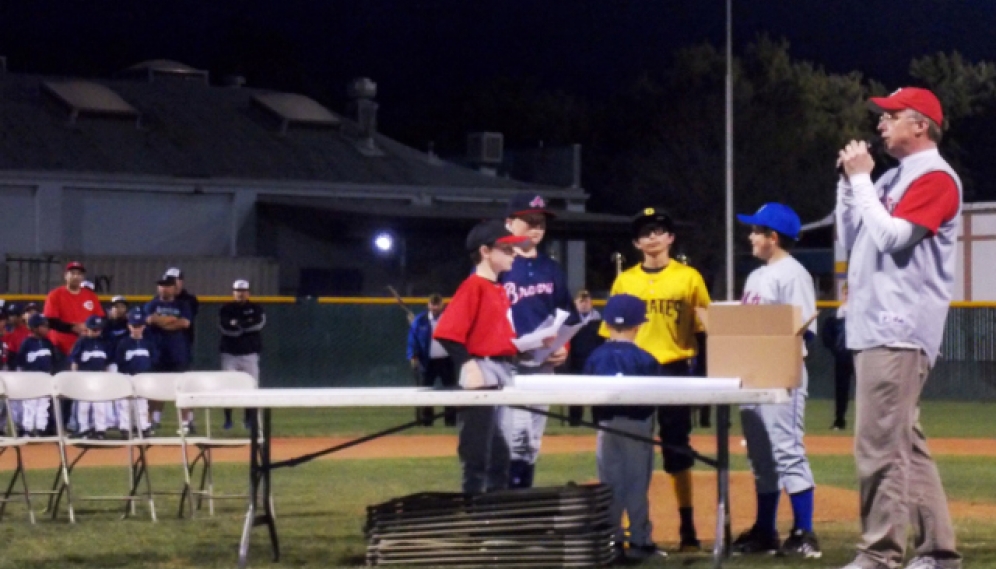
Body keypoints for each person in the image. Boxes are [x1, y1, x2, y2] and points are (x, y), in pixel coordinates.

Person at [836, 87, 962, 569]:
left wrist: (864, 181)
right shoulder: (892, 176)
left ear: (921, 126)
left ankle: (880, 553)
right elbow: (855, 239)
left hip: (898, 325)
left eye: (891, 115)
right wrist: (850, 185)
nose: (881, 123)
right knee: (902, 442)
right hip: (878, 324)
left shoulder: (935, 177)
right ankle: (938, 551)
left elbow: (892, 239)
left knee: (878, 447)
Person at [602, 207, 710, 552]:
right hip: (634, 369)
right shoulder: (625, 280)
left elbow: (704, 328)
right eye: (645, 232)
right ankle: (629, 529)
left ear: (671, 238)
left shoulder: (689, 277)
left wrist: (706, 376)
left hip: (674, 367)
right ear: (636, 242)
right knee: (633, 450)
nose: (652, 236)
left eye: (659, 230)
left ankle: (688, 528)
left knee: (677, 448)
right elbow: (611, 334)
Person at [731, 203, 821, 559]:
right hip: (752, 373)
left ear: (773, 237)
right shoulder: (756, 276)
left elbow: (804, 332)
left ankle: (804, 533)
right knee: (761, 457)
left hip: (782, 373)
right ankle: (765, 530)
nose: (750, 236)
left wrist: (780, 366)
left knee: (788, 451)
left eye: (756, 231)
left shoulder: (793, 273)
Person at [432, 219, 533, 494]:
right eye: (507, 250)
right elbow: (446, 333)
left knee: (499, 454)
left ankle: (492, 514)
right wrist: (469, 365)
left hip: (500, 368)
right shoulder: (474, 285)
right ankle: (473, 513)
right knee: (479, 452)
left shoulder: (497, 288)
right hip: (482, 368)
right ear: (486, 251)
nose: (513, 254)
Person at [499, 192, 577, 489]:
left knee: (531, 442)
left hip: (543, 365)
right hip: (509, 365)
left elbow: (566, 315)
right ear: (509, 223)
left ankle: (522, 500)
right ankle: (507, 508)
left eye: (541, 222)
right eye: (528, 220)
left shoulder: (552, 269)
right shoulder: (498, 265)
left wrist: (564, 346)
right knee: (513, 440)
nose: (536, 227)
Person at [586, 294, 664, 563]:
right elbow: (657, 395)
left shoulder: (596, 356)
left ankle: (612, 540)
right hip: (638, 426)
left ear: (606, 324)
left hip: (606, 426)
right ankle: (640, 540)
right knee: (637, 484)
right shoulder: (646, 358)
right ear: (638, 326)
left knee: (610, 484)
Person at [43, 261, 105, 432]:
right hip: (60, 346)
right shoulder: (56, 294)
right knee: (60, 387)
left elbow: (101, 318)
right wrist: (73, 327)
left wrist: (91, 329)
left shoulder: (89, 296)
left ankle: (71, 425)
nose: (76, 276)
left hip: (84, 348)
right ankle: (53, 426)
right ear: (66, 275)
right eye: (72, 272)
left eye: (79, 273)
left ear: (83, 276)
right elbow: (51, 321)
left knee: (77, 390)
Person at [145, 273, 194, 432]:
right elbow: (149, 320)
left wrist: (161, 321)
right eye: (161, 285)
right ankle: (152, 421)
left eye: (167, 285)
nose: (164, 288)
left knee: (182, 387)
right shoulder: (151, 304)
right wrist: (170, 321)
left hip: (177, 352)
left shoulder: (182, 305)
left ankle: (185, 423)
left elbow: (184, 323)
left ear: (174, 288)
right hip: (157, 352)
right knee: (154, 388)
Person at [219, 279, 266, 430]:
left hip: (250, 353)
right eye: (237, 291)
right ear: (233, 292)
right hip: (230, 354)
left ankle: (249, 420)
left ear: (248, 292)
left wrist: (238, 325)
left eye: (243, 291)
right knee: (228, 387)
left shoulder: (256, 308)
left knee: (251, 387)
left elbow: (258, 324)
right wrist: (244, 325)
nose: (240, 294)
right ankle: (228, 420)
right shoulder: (226, 308)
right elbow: (224, 327)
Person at [406, 293, 457, 427]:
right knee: (426, 392)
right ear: (428, 305)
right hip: (427, 361)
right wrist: (413, 355)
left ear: (442, 305)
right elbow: (413, 340)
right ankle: (427, 422)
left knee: (450, 391)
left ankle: (450, 421)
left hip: (446, 360)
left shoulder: (449, 318)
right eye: (432, 305)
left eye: (437, 305)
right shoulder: (420, 320)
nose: (434, 308)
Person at [68, 315, 112, 439]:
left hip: (99, 378)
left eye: (98, 329)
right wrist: (74, 377)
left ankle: (100, 430)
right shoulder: (82, 341)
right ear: (87, 329)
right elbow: (74, 360)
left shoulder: (104, 342)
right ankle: (83, 429)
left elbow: (107, 362)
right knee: (83, 406)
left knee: (100, 406)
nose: (96, 332)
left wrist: (107, 377)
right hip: (85, 378)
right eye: (93, 329)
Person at [115, 307, 156, 437]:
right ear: (129, 326)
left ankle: (142, 427)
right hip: (127, 375)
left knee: (142, 403)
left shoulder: (148, 343)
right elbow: (119, 360)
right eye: (134, 326)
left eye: (139, 326)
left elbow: (153, 358)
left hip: (142, 377)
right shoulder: (124, 343)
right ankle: (125, 428)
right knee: (125, 403)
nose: (137, 328)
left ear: (143, 326)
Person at [565, 289, 604, 426]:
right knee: (575, 395)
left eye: (587, 300)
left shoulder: (599, 321)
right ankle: (574, 423)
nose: (584, 304)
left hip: (595, 362)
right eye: (581, 301)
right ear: (575, 302)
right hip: (576, 362)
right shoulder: (570, 321)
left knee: (598, 395)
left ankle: (598, 423)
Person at [16, 314, 58, 437]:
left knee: (43, 404)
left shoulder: (48, 342)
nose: (47, 329)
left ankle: (41, 428)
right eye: (43, 326)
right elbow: (20, 361)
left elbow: (53, 360)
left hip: (45, 377)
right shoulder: (27, 342)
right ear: (34, 328)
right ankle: (27, 429)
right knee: (30, 404)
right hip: (31, 378)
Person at [821, 282, 854, 431]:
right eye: (846, 293)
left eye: (851, 293)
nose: (848, 297)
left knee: (867, 390)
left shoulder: (861, 314)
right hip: (842, 356)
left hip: (859, 356)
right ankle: (839, 420)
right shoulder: (836, 315)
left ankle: (868, 422)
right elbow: (827, 335)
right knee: (841, 390)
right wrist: (835, 349)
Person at [166, 267, 199, 360]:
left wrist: (164, 322)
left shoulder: (189, 300)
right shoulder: (159, 298)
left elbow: (185, 322)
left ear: (181, 282)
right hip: (163, 344)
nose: (172, 283)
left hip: (184, 343)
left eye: (174, 280)